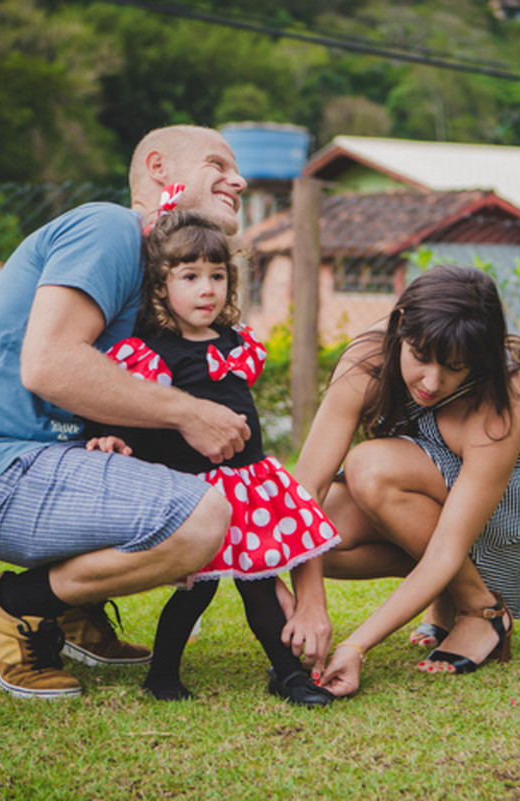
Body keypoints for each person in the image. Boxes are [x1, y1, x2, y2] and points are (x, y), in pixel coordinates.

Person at [0, 125, 330, 699]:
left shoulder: (156, 281)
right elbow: (49, 365)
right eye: (217, 164)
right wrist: (189, 413)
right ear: (159, 167)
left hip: (47, 460)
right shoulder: (110, 228)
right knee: (203, 517)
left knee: (207, 498)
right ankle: (13, 605)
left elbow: (115, 389)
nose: (238, 179)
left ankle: (72, 609)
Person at [85, 209, 339, 706]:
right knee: (194, 591)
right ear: (161, 287)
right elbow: (126, 403)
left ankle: (287, 674)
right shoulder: (150, 352)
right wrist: (110, 435)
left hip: (251, 487)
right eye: (190, 277)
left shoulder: (237, 343)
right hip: (197, 493)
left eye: (217, 276)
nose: (207, 289)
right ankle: (162, 673)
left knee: (260, 586)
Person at [290, 264, 520, 697]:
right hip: (431, 474)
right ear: (401, 326)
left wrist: (356, 645)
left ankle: (482, 612)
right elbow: (305, 492)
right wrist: (311, 604)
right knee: (324, 537)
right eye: (420, 358)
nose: (431, 382)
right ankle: (449, 593)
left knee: (371, 469)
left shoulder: (505, 394)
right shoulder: (367, 358)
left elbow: (444, 549)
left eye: (455, 368)